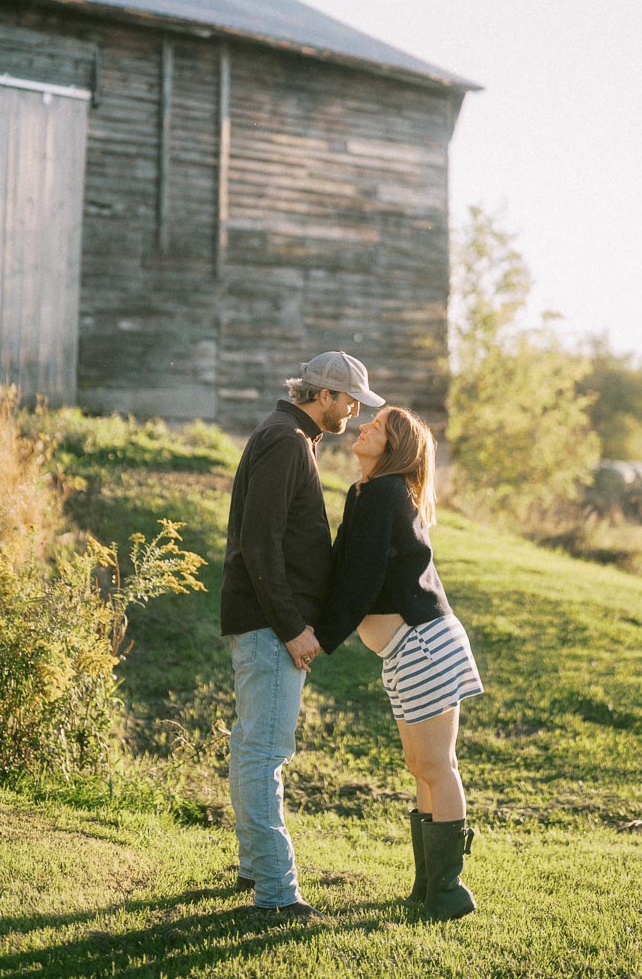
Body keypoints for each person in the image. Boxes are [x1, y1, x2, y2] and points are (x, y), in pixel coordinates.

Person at [220, 351, 385, 921]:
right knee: (266, 752)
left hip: (263, 622)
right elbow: (258, 544)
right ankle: (277, 894)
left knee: (251, 748)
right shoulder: (287, 441)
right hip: (271, 627)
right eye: (351, 401)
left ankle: (253, 866)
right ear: (324, 396)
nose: (354, 412)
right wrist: (292, 628)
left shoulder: (287, 436)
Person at [314, 405, 483, 921]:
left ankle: (449, 891)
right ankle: (427, 885)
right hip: (405, 651)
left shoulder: (387, 492)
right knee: (420, 766)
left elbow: (361, 579)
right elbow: (341, 567)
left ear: (394, 447)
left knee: (437, 765)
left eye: (377, 426)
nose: (363, 426)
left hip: (425, 644)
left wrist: (320, 641)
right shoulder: (364, 493)